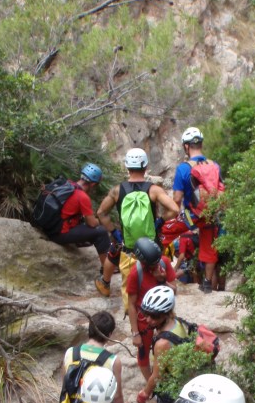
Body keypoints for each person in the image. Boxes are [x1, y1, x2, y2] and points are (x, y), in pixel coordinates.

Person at [94, 148, 178, 309]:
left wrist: (114, 232)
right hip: (152, 245)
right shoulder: (154, 190)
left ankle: (124, 304)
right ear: (145, 167)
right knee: (154, 276)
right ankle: (156, 306)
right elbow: (174, 209)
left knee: (124, 271)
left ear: (127, 167)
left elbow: (101, 213)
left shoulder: (117, 191)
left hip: (128, 246)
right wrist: (160, 221)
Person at [172, 127, 224, 294]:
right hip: (210, 215)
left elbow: (177, 199)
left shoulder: (183, 168)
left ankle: (159, 274)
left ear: (186, 146)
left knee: (164, 232)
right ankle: (207, 282)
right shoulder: (214, 165)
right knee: (209, 247)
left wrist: (171, 216)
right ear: (201, 144)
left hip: (191, 216)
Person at [126, 237, 176, 382]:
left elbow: (174, 291)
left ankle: (166, 375)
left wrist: (162, 280)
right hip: (145, 319)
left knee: (167, 346)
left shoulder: (164, 263)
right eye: (152, 264)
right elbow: (131, 304)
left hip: (163, 316)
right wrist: (135, 333)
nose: (156, 266)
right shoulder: (136, 273)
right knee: (143, 352)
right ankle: (152, 383)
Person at [50, 163, 111, 268]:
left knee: (82, 222)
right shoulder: (82, 196)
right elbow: (92, 224)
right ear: (93, 184)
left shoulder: (67, 184)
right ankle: (107, 267)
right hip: (59, 234)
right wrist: (100, 220)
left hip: (51, 227)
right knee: (101, 232)